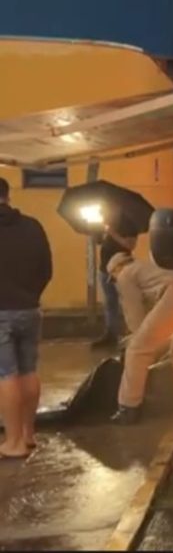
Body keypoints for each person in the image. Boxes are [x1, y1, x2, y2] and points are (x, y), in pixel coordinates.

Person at [0, 177, 53, 459]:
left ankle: (13, 442)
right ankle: (29, 434)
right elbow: (46, 268)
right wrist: (30, 294)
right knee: (28, 370)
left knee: (5, 374)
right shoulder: (32, 226)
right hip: (30, 309)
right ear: (7, 196)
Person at [106, 252, 173, 424]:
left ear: (116, 269)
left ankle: (128, 407)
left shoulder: (125, 275)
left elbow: (134, 315)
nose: (114, 282)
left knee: (137, 349)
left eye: (112, 277)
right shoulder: (144, 266)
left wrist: (134, 338)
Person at [92, 209, 138, 350]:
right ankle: (111, 334)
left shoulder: (128, 224)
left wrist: (112, 232)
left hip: (121, 269)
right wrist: (97, 232)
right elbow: (100, 242)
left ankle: (130, 334)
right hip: (105, 269)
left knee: (126, 302)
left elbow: (130, 245)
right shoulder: (106, 223)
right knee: (110, 303)